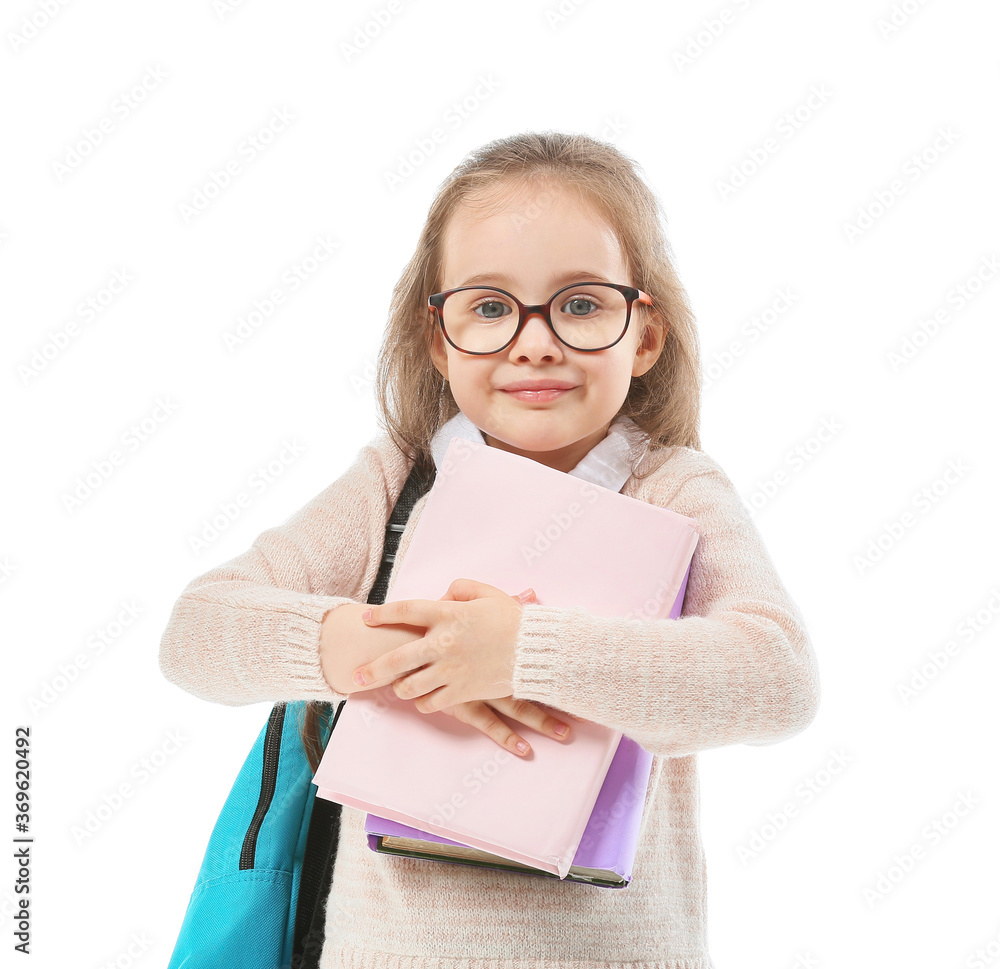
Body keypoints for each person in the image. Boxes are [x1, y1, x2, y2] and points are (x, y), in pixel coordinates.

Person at [158, 130, 820, 968]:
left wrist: (522, 652)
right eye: (490, 306)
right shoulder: (397, 483)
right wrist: (391, 649)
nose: (534, 340)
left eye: (581, 304)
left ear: (643, 336)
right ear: (439, 338)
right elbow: (195, 634)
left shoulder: (674, 489)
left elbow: (779, 679)